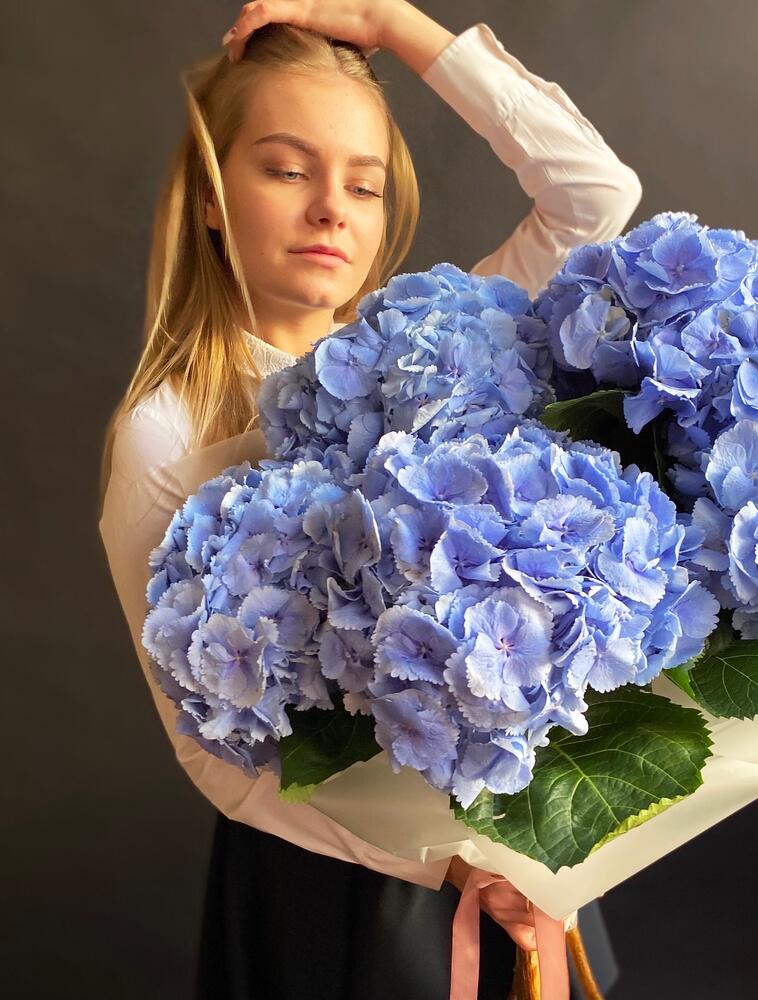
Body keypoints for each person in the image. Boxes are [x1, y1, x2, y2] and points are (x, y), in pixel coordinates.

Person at [97, 1, 640, 996]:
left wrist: (391, 22)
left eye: (364, 183)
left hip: (518, 846)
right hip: (331, 885)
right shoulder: (166, 431)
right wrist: (446, 863)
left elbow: (594, 194)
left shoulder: (439, 342)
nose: (330, 210)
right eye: (286, 169)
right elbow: (212, 757)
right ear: (213, 196)